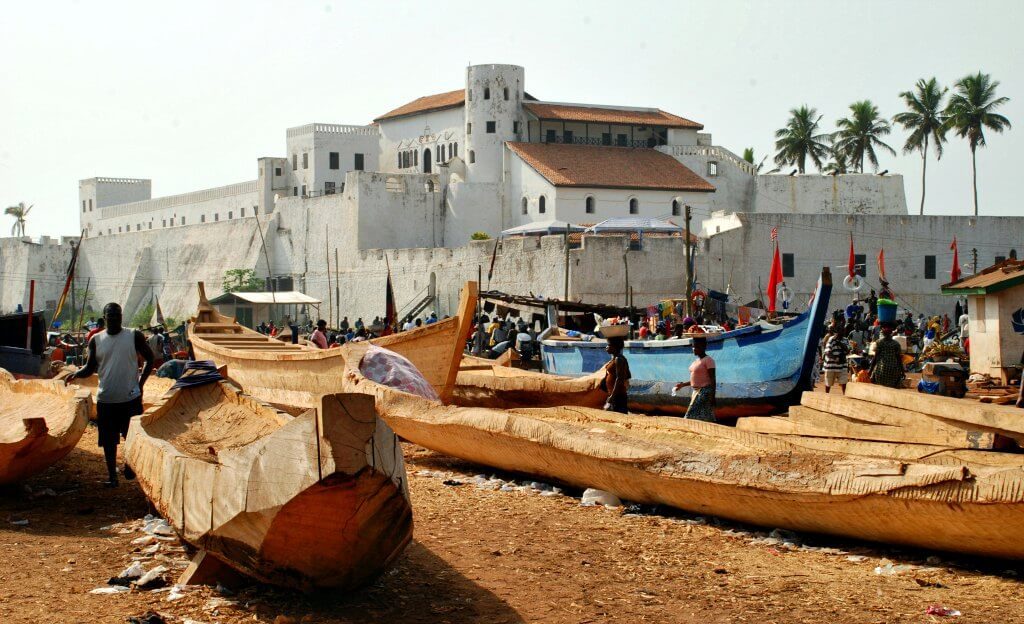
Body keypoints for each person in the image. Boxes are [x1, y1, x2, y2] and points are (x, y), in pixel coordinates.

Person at [66, 303, 154, 487]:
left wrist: (141, 384)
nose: (114, 319)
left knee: (132, 436)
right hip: (106, 399)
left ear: (122, 317)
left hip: (130, 398)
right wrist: (76, 374)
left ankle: (130, 466)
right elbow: (90, 368)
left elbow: (150, 359)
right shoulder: (96, 340)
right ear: (104, 318)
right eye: (110, 316)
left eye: (117, 315)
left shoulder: (133, 336)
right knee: (108, 440)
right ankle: (112, 477)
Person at [673, 336, 716, 422]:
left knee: (691, 414)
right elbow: (695, 379)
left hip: (704, 392)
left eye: (696, 346)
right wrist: (682, 385)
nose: (694, 349)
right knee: (706, 416)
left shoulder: (708, 360)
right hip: (696, 392)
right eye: (693, 346)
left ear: (703, 347)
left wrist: (712, 396)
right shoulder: (696, 361)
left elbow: (712, 379)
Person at [601, 337, 630, 413]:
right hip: (615, 394)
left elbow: (619, 378)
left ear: (615, 347)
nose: (606, 347)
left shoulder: (618, 359)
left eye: (609, 345)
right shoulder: (615, 359)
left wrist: (612, 396)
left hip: (618, 396)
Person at [869, 324, 904, 388]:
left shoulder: (879, 342)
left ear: (883, 334)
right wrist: (902, 371)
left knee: (879, 387)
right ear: (891, 333)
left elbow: (875, 358)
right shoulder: (896, 344)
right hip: (893, 371)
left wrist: (870, 371)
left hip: (881, 370)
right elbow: (899, 359)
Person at [822, 327, 850, 394]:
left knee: (844, 382)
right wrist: (836, 359)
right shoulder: (831, 339)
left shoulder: (845, 339)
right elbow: (827, 352)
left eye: (843, 331)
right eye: (841, 331)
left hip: (843, 365)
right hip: (831, 365)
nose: (843, 332)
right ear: (837, 332)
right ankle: (826, 395)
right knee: (828, 383)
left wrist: (839, 343)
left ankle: (844, 396)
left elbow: (848, 350)